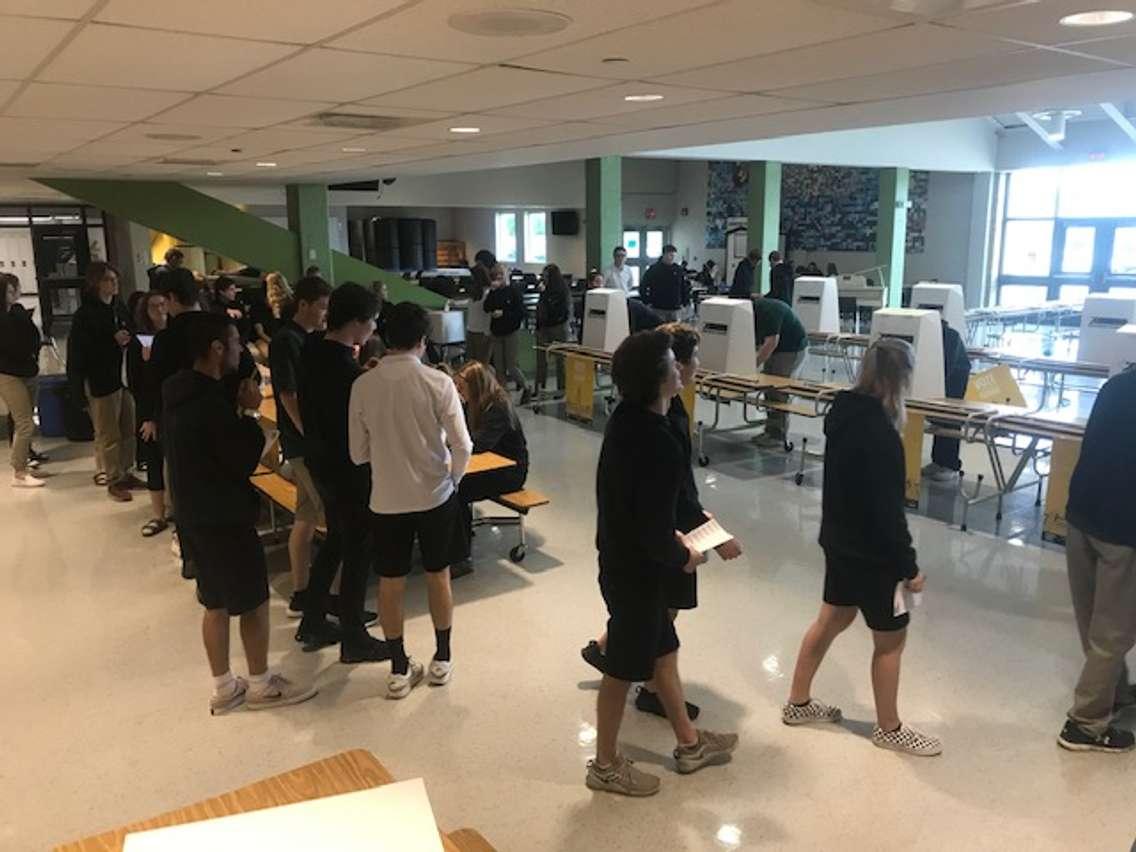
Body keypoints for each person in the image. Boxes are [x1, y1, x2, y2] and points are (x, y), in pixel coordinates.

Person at [586, 329, 737, 797]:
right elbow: (653, 529)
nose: (682, 368)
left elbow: (648, 509)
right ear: (658, 377)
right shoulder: (656, 442)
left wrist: (688, 539)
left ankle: (689, 746)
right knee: (620, 669)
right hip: (637, 573)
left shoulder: (630, 420)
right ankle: (605, 764)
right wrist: (685, 556)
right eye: (675, 362)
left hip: (625, 562)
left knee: (664, 655)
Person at [782, 338, 940, 757]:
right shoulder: (883, 436)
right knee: (890, 641)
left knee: (832, 618)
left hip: (838, 540)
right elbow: (889, 513)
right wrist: (909, 568)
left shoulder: (843, 414)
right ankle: (889, 728)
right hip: (875, 556)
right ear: (899, 379)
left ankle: (798, 702)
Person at [164, 312, 317, 714]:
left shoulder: (178, 393)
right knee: (253, 601)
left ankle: (223, 686)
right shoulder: (211, 405)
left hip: (192, 513)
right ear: (216, 349)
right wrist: (250, 414)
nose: (240, 351)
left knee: (213, 602)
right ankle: (261, 684)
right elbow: (240, 458)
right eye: (233, 343)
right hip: (224, 516)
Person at [349, 301, 473, 699]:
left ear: (384, 337)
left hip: (386, 498)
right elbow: (463, 445)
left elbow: (357, 454)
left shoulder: (362, 385)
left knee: (391, 581)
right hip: (435, 494)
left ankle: (399, 668)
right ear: (424, 340)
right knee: (438, 574)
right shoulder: (438, 383)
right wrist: (452, 480)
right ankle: (443, 658)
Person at [295, 283, 389, 663]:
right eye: (372, 323)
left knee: (336, 540)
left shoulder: (314, 349)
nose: (373, 331)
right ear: (357, 323)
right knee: (358, 548)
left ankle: (314, 618)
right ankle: (354, 636)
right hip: (347, 469)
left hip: (320, 462)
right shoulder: (343, 372)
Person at [1057, 366, 1136, 753]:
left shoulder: (1116, 386)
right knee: (1114, 629)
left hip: (1081, 516)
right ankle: (1085, 724)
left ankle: (1114, 692)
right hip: (1124, 529)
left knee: (1093, 620)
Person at [268, 275, 332, 617]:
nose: (325, 314)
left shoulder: (310, 338)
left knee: (305, 517)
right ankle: (325, 596)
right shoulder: (286, 341)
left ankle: (301, 591)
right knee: (329, 514)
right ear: (304, 304)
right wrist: (309, 435)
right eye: (321, 307)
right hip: (303, 445)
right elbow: (288, 394)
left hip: (306, 441)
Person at [67, 262, 139, 502]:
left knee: (128, 429)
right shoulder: (85, 315)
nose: (114, 283)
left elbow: (131, 331)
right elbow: (80, 353)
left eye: (115, 278)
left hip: (124, 379)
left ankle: (126, 471)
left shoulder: (119, 308)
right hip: (101, 381)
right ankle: (113, 478)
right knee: (108, 434)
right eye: (108, 279)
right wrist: (112, 341)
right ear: (96, 283)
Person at [452, 361, 529, 575]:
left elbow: (480, 443)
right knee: (455, 485)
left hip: (510, 472)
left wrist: (451, 443)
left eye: (461, 387)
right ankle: (457, 542)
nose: (458, 391)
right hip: (492, 465)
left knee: (457, 490)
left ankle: (460, 556)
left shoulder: (497, 406)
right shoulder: (478, 403)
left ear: (475, 386)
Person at [126, 291, 170, 534]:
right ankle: (158, 514)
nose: (161, 310)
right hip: (150, 411)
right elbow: (137, 384)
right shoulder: (139, 343)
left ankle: (174, 510)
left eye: (164, 304)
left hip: (172, 408)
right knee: (154, 461)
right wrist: (148, 417)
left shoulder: (173, 337)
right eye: (155, 306)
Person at [0, 273, 43, 488]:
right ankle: (19, 470)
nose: (13, 294)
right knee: (24, 422)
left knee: (25, 420)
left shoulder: (17, 313)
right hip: (8, 373)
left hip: (28, 369)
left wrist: (32, 355)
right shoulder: (4, 318)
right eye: (8, 291)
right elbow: (10, 345)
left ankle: (24, 461)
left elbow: (33, 337)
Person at [751, 292, 809, 449]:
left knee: (777, 389)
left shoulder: (768, 312)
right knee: (768, 388)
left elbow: (771, 343)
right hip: (779, 348)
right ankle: (771, 430)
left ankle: (778, 435)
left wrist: (752, 365)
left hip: (792, 348)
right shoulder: (755, 313)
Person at [922, 320, 971, 483]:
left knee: (949, 418)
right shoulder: (926, 334)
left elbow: (945, 366)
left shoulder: (950, 337)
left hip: (956, 378)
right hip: (939, 376)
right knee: (937, 418)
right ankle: (937, 461)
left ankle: (950, 465)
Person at [484, 263, 530, 402]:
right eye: (496, 275)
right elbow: (486, 308)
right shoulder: (493, 292)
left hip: (511, 331)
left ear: (506, 276)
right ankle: (503, 396)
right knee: (499, 367)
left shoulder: (513, 291)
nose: (499, 278)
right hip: (497, 332)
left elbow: (521, 312)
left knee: (511, 365)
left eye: (501, 275)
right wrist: (491, 293)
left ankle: (526, 387)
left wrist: (504, 313)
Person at [535, 263, 570, 395]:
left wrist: (544, 294)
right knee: (541, 359)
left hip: (557, 326)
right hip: (544, 326)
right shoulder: (545, 290)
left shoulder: (560, 290)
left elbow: (560, 310)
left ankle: (562, 388)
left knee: (560, 359)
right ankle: (540, 386)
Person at [639, 245, 689, 323]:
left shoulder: (678, 269)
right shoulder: (654, 269)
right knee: (659, 331)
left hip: (675, 308)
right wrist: (647, 302)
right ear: (664, 254)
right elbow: (643, 286)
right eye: (670, 255)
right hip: (658, 308)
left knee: (675, 332)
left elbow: (684, 287)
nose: (671, 257)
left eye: (673, 255)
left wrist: (685, 303)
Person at [465, 263, 492, 364]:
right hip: (471, 330)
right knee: (471, 364)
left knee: (482, 364)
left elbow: (488, 314)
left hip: (482, 333)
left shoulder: (488, 293)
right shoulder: (474, 293)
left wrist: (487, 332)